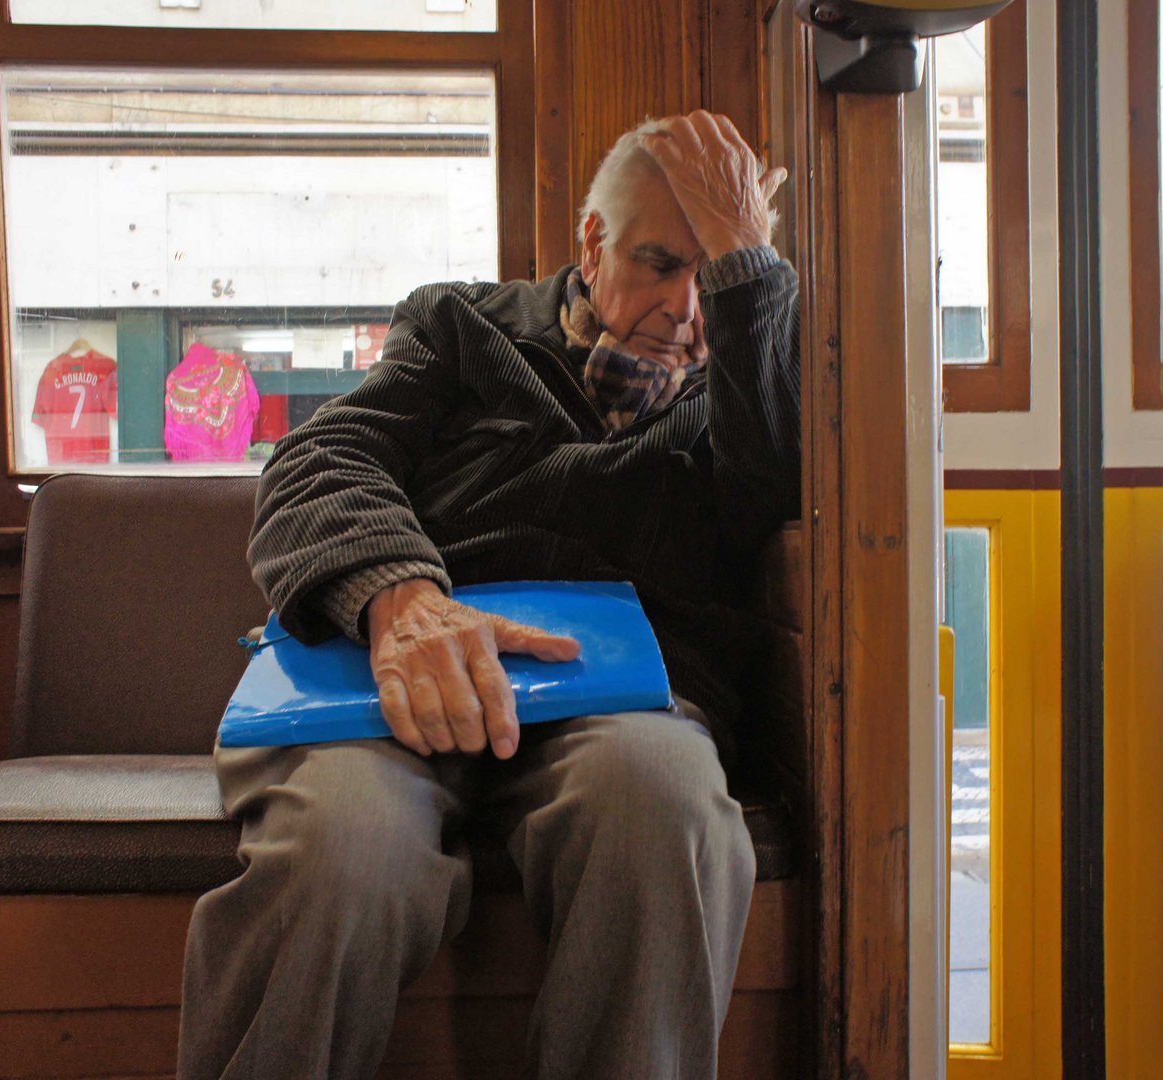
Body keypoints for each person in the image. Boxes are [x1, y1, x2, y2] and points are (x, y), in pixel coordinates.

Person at [177, 110, 798, 1079]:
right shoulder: (460, 325)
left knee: (662, 815)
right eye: (657, 262)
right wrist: (398, 596)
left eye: (709, 271)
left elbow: (779, 480)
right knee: (340, 850)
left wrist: (747, 268)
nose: (685, 308)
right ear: (590, 243)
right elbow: (326, 455)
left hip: (622, 690)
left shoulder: (748, 379)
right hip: (399, 663)